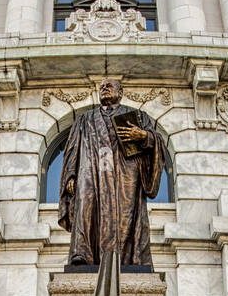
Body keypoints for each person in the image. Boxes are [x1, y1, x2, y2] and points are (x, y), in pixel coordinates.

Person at [58, 77, 165, 268]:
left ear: (120, 92)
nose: (104, 89)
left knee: (127, 214)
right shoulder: (84, 119)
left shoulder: (138, 117)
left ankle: (128, 258)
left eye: (109, 86)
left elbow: (157, 143)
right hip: (91, 170)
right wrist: (71, 174)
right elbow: (73, 148)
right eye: (102, 87)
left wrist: (143, 135)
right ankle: (82, 253)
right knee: (86, 204)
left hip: (126, 172)